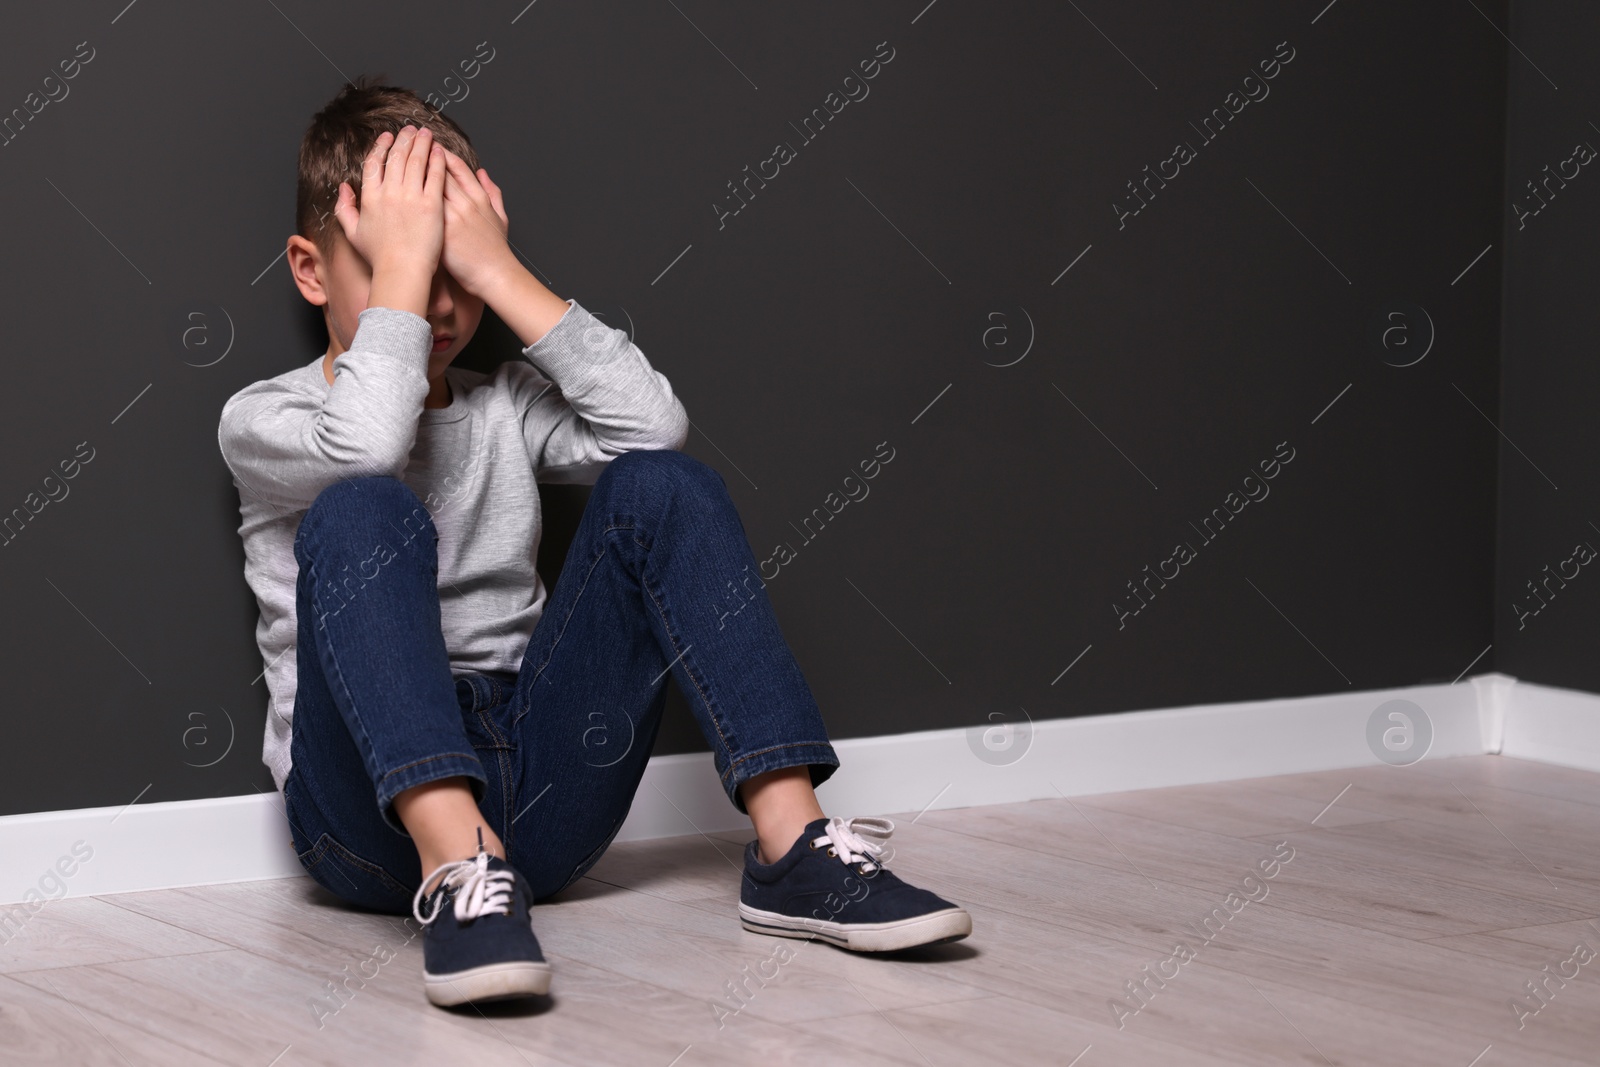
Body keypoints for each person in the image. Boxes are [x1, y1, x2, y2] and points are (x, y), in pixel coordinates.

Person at [216, 77, 971, 1009]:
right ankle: (453, 868)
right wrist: (412, 269)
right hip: (362, 817)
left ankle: (793, 849)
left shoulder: (502, 403)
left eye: (454, 271)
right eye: (395, 265)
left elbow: (655, 431)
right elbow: (367, 442)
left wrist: (500, 272)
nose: (436, 305)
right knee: (363, 507)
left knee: (665, 485)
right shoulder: (264, 417)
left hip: (540, 787)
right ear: (310, 269)